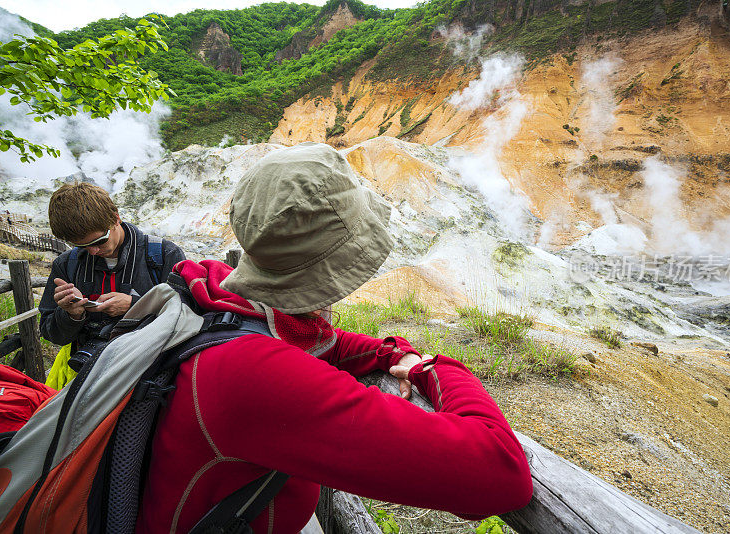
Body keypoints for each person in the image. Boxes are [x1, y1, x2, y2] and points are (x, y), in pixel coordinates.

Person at [136, 143, 533, 533]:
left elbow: (323, 341)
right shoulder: (254, 378)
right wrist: (432, 366)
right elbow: (500, 473)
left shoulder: (213, 293)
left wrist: (390, 351)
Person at [39, 182, 186, 367]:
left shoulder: (165, 255)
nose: (93, 251)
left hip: (152, 371)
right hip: (88, 372)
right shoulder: (67, 264)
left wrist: (135, 306)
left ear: (116, 217)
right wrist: (72, 315)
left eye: (100, 241)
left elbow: (187, 318)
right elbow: (52, 334)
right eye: (82, 246)